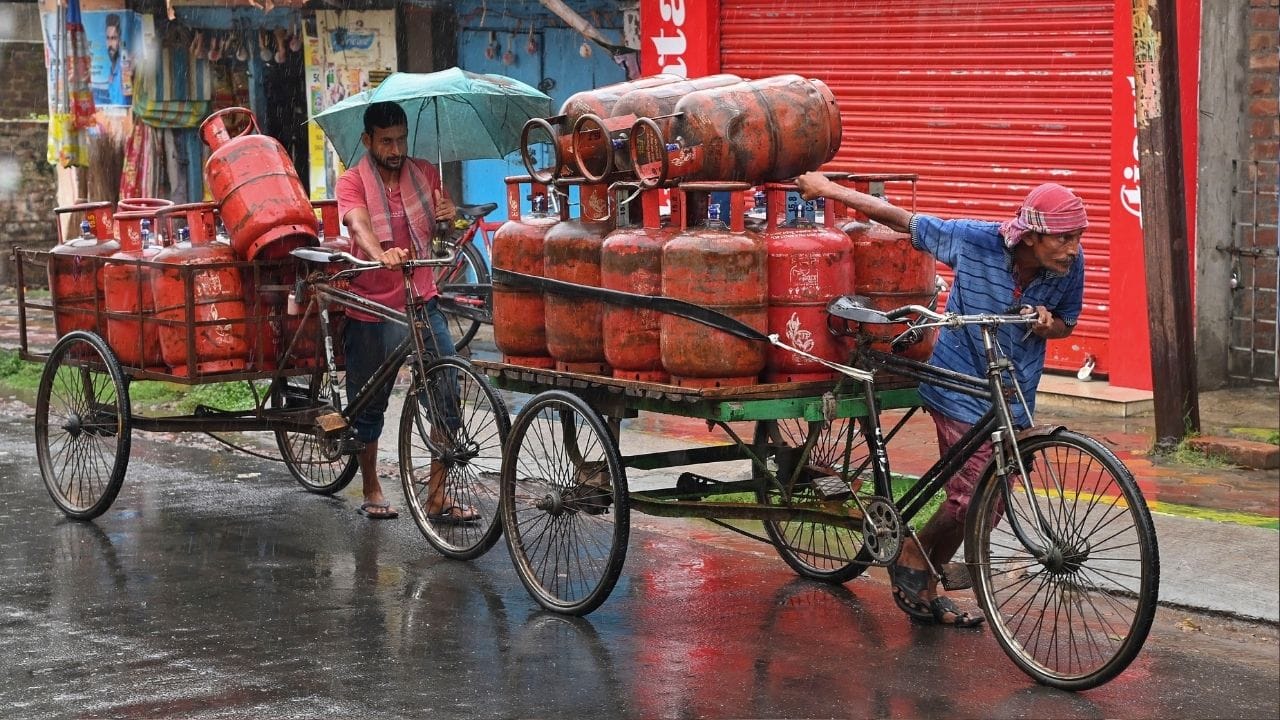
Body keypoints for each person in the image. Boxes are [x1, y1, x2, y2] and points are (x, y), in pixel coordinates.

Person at [796, 171, 1087, 627]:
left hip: (1013, 393)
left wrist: (1050, 326)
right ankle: (917, 561)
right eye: (1064, 238)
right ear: (1031, 236)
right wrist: (828, 190)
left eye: (1078, 237)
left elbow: (1067, 322)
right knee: (972, 498)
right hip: (958, 384)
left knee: (991, 496)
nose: (1073, 248)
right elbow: (901, 219)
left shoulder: (1070, 266)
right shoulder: (975, 241)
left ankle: (920, 565)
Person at [335, 101, 474, 523]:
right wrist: (380, 252)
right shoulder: (352, 181)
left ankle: (437, 496)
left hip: (421, 298)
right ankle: (371, 486)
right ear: (368, 140)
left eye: (400, 139)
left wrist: (450, 216)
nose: (395, 149)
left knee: (446, 390)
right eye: (386, 141)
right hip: (371, 306)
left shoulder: (425, 174)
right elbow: (358, 224)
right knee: (368, 403)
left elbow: (442, 232)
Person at [103, 13, 130, 105]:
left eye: (113, 38)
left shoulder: (124, 66)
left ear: (119, 39)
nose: (110, 44)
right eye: (108, 38)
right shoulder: (112, 69)